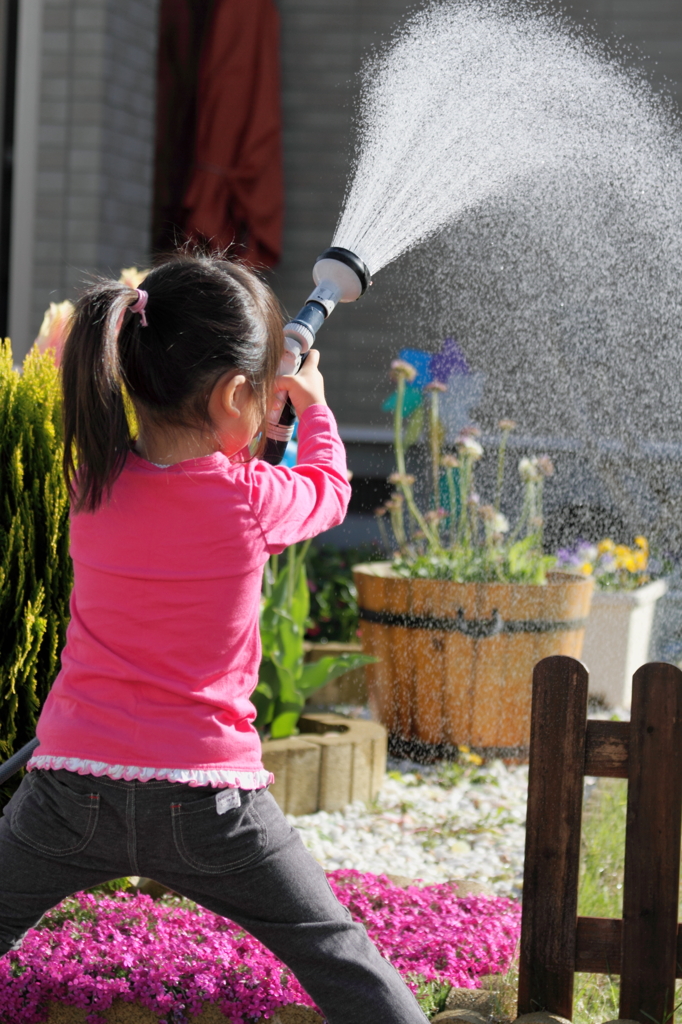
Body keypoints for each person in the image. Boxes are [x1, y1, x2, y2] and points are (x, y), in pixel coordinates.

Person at [0, 253, 428, 1024]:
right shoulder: (254, 501)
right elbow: (330, 492)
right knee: (335, 953)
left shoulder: (87, 480)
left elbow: (182, 478)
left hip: (67, 791)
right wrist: (313, 403)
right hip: (209, 804)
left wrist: (249, 412)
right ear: (236, 395)